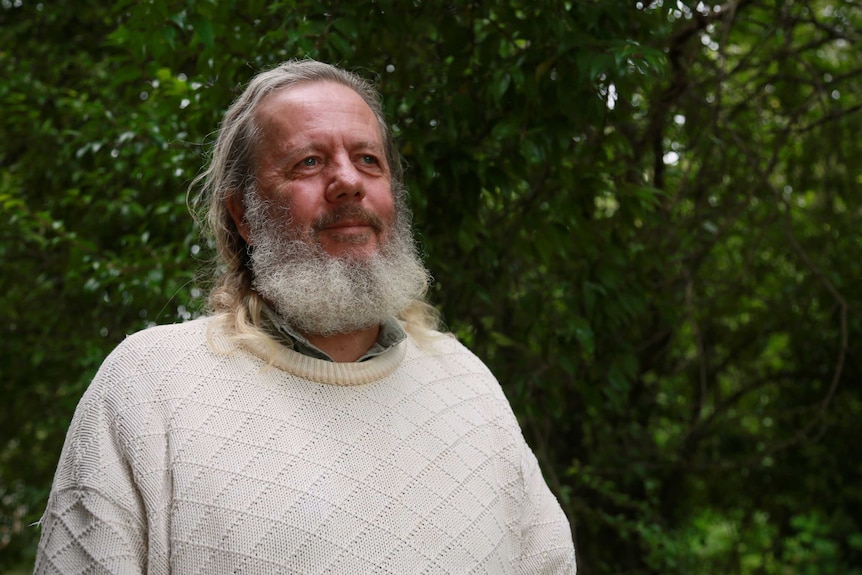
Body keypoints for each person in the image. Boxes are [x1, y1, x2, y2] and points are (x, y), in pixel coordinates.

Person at [34, 60, 576, 574]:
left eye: (368, 160)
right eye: (309, 162)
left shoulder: (467, 384)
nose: (348, 181)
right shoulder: (148, 386)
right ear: (242, 216)